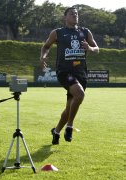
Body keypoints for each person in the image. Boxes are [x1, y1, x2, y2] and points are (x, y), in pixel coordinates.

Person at [40, 7, 99, 145]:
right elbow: (46, 46)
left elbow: (97, 49)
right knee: (80, 95)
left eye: (76, 14)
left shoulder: (85, 32)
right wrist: (42, 57)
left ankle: (56, 131)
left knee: (69, 108)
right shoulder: (58, 33)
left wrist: (90, 49)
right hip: (65, 72)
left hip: (81, 73)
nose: (75, 15)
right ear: (65, 17)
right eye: (72, 14)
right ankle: (70, 126)